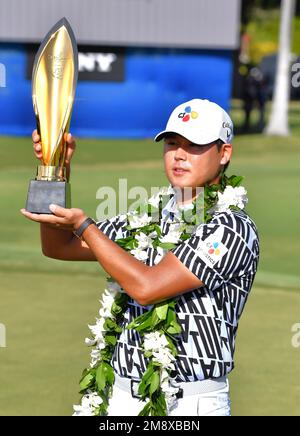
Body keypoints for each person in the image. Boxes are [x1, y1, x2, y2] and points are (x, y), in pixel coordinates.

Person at [21, 98, 259, 416]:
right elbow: (59, 246)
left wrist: (84, 225)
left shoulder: (231, 227)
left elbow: (148, 287)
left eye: (195, 145)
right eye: (172, 143)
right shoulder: (148, 216)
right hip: (119, 396)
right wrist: (57, 166)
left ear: (224, 153)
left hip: (189, 404)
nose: (179, 154)